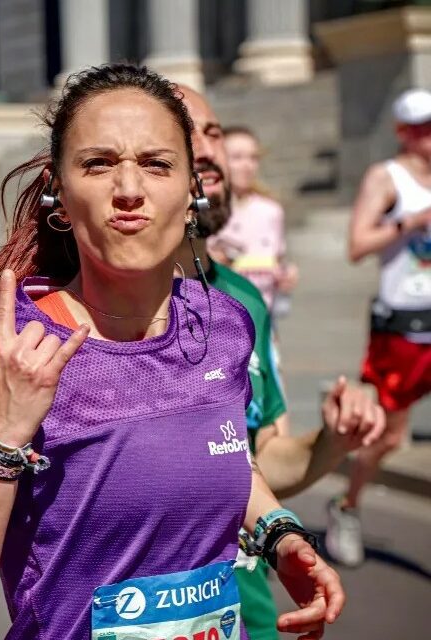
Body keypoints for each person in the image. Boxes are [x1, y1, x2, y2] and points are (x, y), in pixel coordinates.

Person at [0, 64, 343, 640]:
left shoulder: (224, 325)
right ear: (60, 194)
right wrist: (3, 437)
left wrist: (282, 537)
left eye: (157, 165)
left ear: (192, 193)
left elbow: (220, 453)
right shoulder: (4, 355)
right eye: (98, 164)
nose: (129, 190)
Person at [174, 84, 384, 640]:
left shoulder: (243, 299)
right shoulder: (78, 311)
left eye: (215, 133)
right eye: (184, 131)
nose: (209, 150)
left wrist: (334, 440)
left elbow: (259, 458)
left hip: (246, 615)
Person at [329, 87, 431, 567]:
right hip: (403, 328)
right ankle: (347, 507)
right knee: (388, 437)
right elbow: (355, 246)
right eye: (420, 128)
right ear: (402, 132)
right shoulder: (386, 178)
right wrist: (410, 223)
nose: (428, 136)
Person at [208, 126, 298, 313]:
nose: (247, 165)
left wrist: (286, 275)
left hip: (263, 316)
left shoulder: (271, 211)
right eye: (237, 157)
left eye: (253, 157)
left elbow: (278, 260)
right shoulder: (204, 210)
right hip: (220, 318)